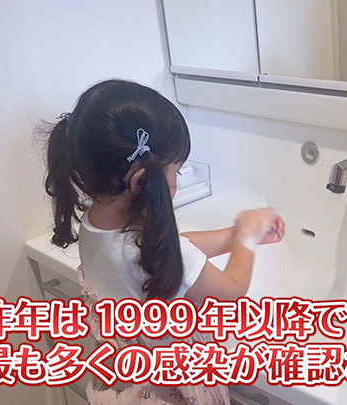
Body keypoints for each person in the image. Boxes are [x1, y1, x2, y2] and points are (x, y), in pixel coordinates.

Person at [42, 79, 285, 404]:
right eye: (175, 173)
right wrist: (246, 238)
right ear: (141, 181)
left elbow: (167, 248)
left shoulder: (94, 225)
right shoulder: (143, 250)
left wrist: (231, 236)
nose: (175, 182)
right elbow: (231, 291)